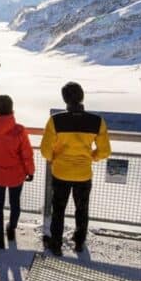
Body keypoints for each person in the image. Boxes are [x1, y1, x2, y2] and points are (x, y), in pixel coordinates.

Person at [40, 82, 111, 256]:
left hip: (61, 173)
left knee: (58, 209)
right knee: (82, 208)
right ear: (82, 97)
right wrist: (91, 157)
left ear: (64, 99)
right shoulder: (97, 121)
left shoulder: (56, 120)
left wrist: (54, 159)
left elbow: (45, 150)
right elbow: (105, 151)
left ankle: (55, 243)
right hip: (83, 173)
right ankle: (79, 241)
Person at [0, 95, 35, 249]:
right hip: (16, 174)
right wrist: (30, 171)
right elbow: (26, 153)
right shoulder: (19, 130)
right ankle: (11, 229)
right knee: (15, 203)